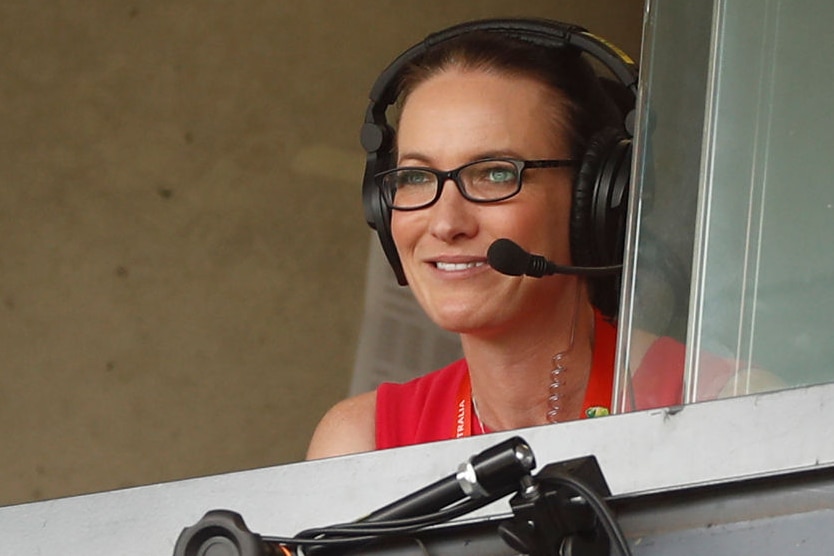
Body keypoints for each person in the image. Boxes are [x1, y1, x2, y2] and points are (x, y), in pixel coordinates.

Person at [306, 19, 778, 460]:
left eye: (494, 173)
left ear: (595, 200)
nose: (446, 222)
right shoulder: (362, 444)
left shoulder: (728, 407)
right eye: (415, 177)